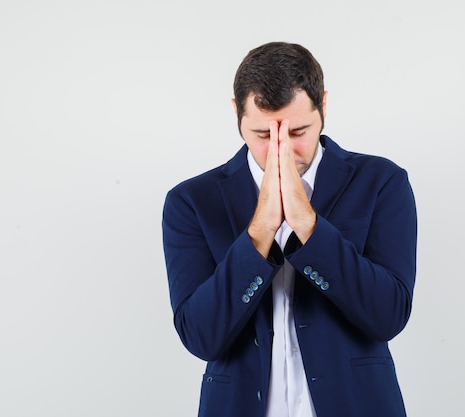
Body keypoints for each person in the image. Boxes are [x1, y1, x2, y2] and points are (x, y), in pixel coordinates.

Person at [162, 41, 417, 417]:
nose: (282, 150)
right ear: (237, 114)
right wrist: (260, 232)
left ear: (323, 107)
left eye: (298, 131)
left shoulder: (381, 182)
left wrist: (309, 228)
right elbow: (201, 337)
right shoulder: (192, 201)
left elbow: (389, 315)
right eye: (263, 136)